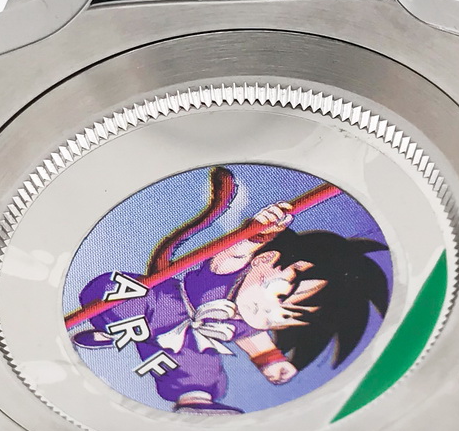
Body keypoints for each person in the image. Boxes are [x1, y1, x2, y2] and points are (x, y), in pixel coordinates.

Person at [73, 167, 389, 414]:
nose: (268, 314)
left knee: (202, 371)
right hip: (164, 303)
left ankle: (196, 403)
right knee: (121, 294)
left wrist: (271, 362)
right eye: (279, 297)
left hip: (190, 341)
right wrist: (257, 235)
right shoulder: (229, 276)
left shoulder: (250, 321)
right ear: (264, 261)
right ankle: (112, 329)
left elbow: (254, 340)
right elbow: (231, 256)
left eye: (281, 318)